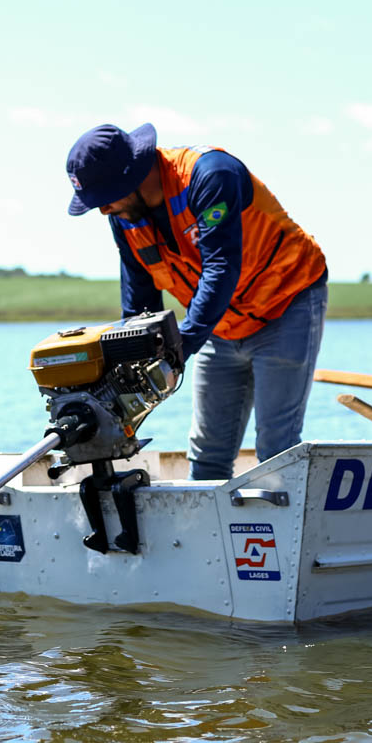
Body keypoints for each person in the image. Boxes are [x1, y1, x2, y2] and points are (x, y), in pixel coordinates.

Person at [65, 122, 328, 480]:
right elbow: (140, 304)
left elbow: (221, 268)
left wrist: (181, 346)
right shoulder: (125, 216)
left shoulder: (210, 175)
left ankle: (284, 532)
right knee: (208, 453)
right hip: (218, 326)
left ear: (132, 178)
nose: (103, 211)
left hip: (285, 304)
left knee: (276, 447)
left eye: (105, 199)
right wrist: (125, 377)